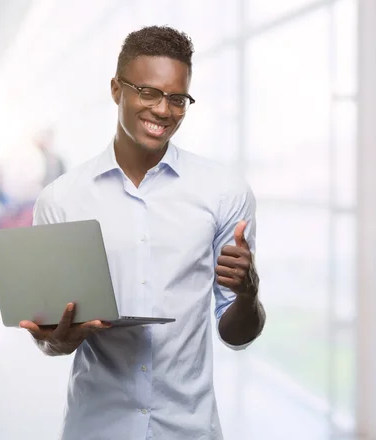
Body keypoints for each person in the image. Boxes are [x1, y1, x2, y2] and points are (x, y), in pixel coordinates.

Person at [18, 25, 266, 439]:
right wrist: (59, 338)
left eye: (177, 98)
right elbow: (49, 341)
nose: (163, 110)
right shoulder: (61, 201)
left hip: (189, 429)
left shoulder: (224, 192)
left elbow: (237, 334)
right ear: (117, 89)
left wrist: (248, 293)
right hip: (96, 427)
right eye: (148, 92)